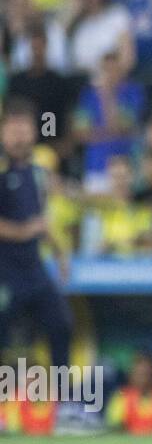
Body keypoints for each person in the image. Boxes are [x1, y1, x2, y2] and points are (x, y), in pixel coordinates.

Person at [0, 99, 73, 369]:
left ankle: (63, 398)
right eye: (13, 127)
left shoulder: (37, 172)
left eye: (24, 127)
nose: (19, 134)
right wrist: (21, 231)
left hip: (33, 269)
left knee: (60, 325)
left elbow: (40, 221)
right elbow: (27, 226)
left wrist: (59, 252)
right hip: (4, 270)